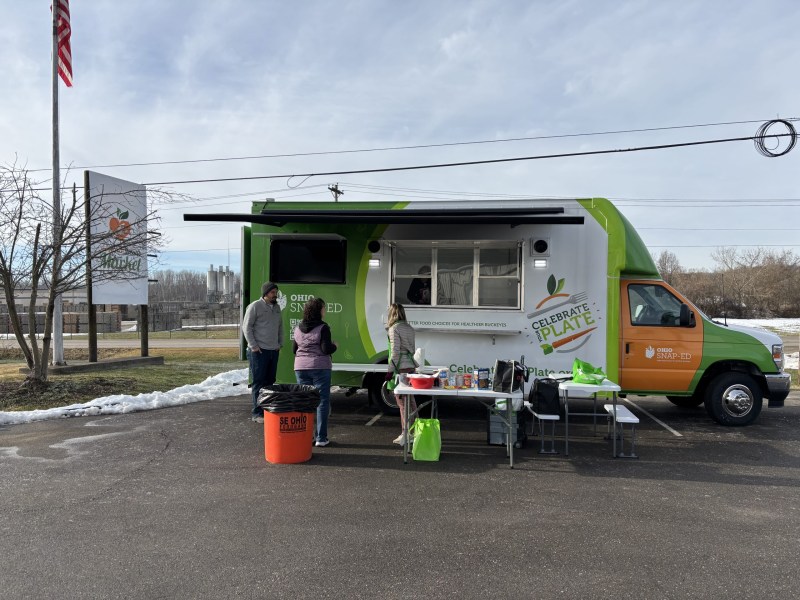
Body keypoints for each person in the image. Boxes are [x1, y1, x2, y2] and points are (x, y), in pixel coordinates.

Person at [293, 297, 337, 447]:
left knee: (306, 402)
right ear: (319, 310)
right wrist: (334, 346)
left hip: (300, 367)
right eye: (323, 308)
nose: (325, 310)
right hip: (319, 367)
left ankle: (306, 436)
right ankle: (321, 438)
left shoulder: (298, 327)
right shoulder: (323, 327)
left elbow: (294, 349)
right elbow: (326, 349)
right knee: (322, 401)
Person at [243, 282, 284, 423]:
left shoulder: (277, 307)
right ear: (265, 293)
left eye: (276, 292)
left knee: (270, 382)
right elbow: (246, 327)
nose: (275, 295)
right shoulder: (255, 306)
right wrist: (254, 346)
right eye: (273, 292)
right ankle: (257, 413)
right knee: (258, 382)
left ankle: (267, 411)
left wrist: (280, 344)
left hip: (273, 350)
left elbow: (280, 327)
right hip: (259, 351)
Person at [385, 303, 418, 445]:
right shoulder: (409, 328)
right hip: (410, 366)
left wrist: (389, 371)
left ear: (392, 314)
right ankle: (415, 430)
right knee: (411, 401)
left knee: (402, 403)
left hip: (400, 368)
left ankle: (406, 434)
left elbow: (395, 352)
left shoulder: (394, 329)